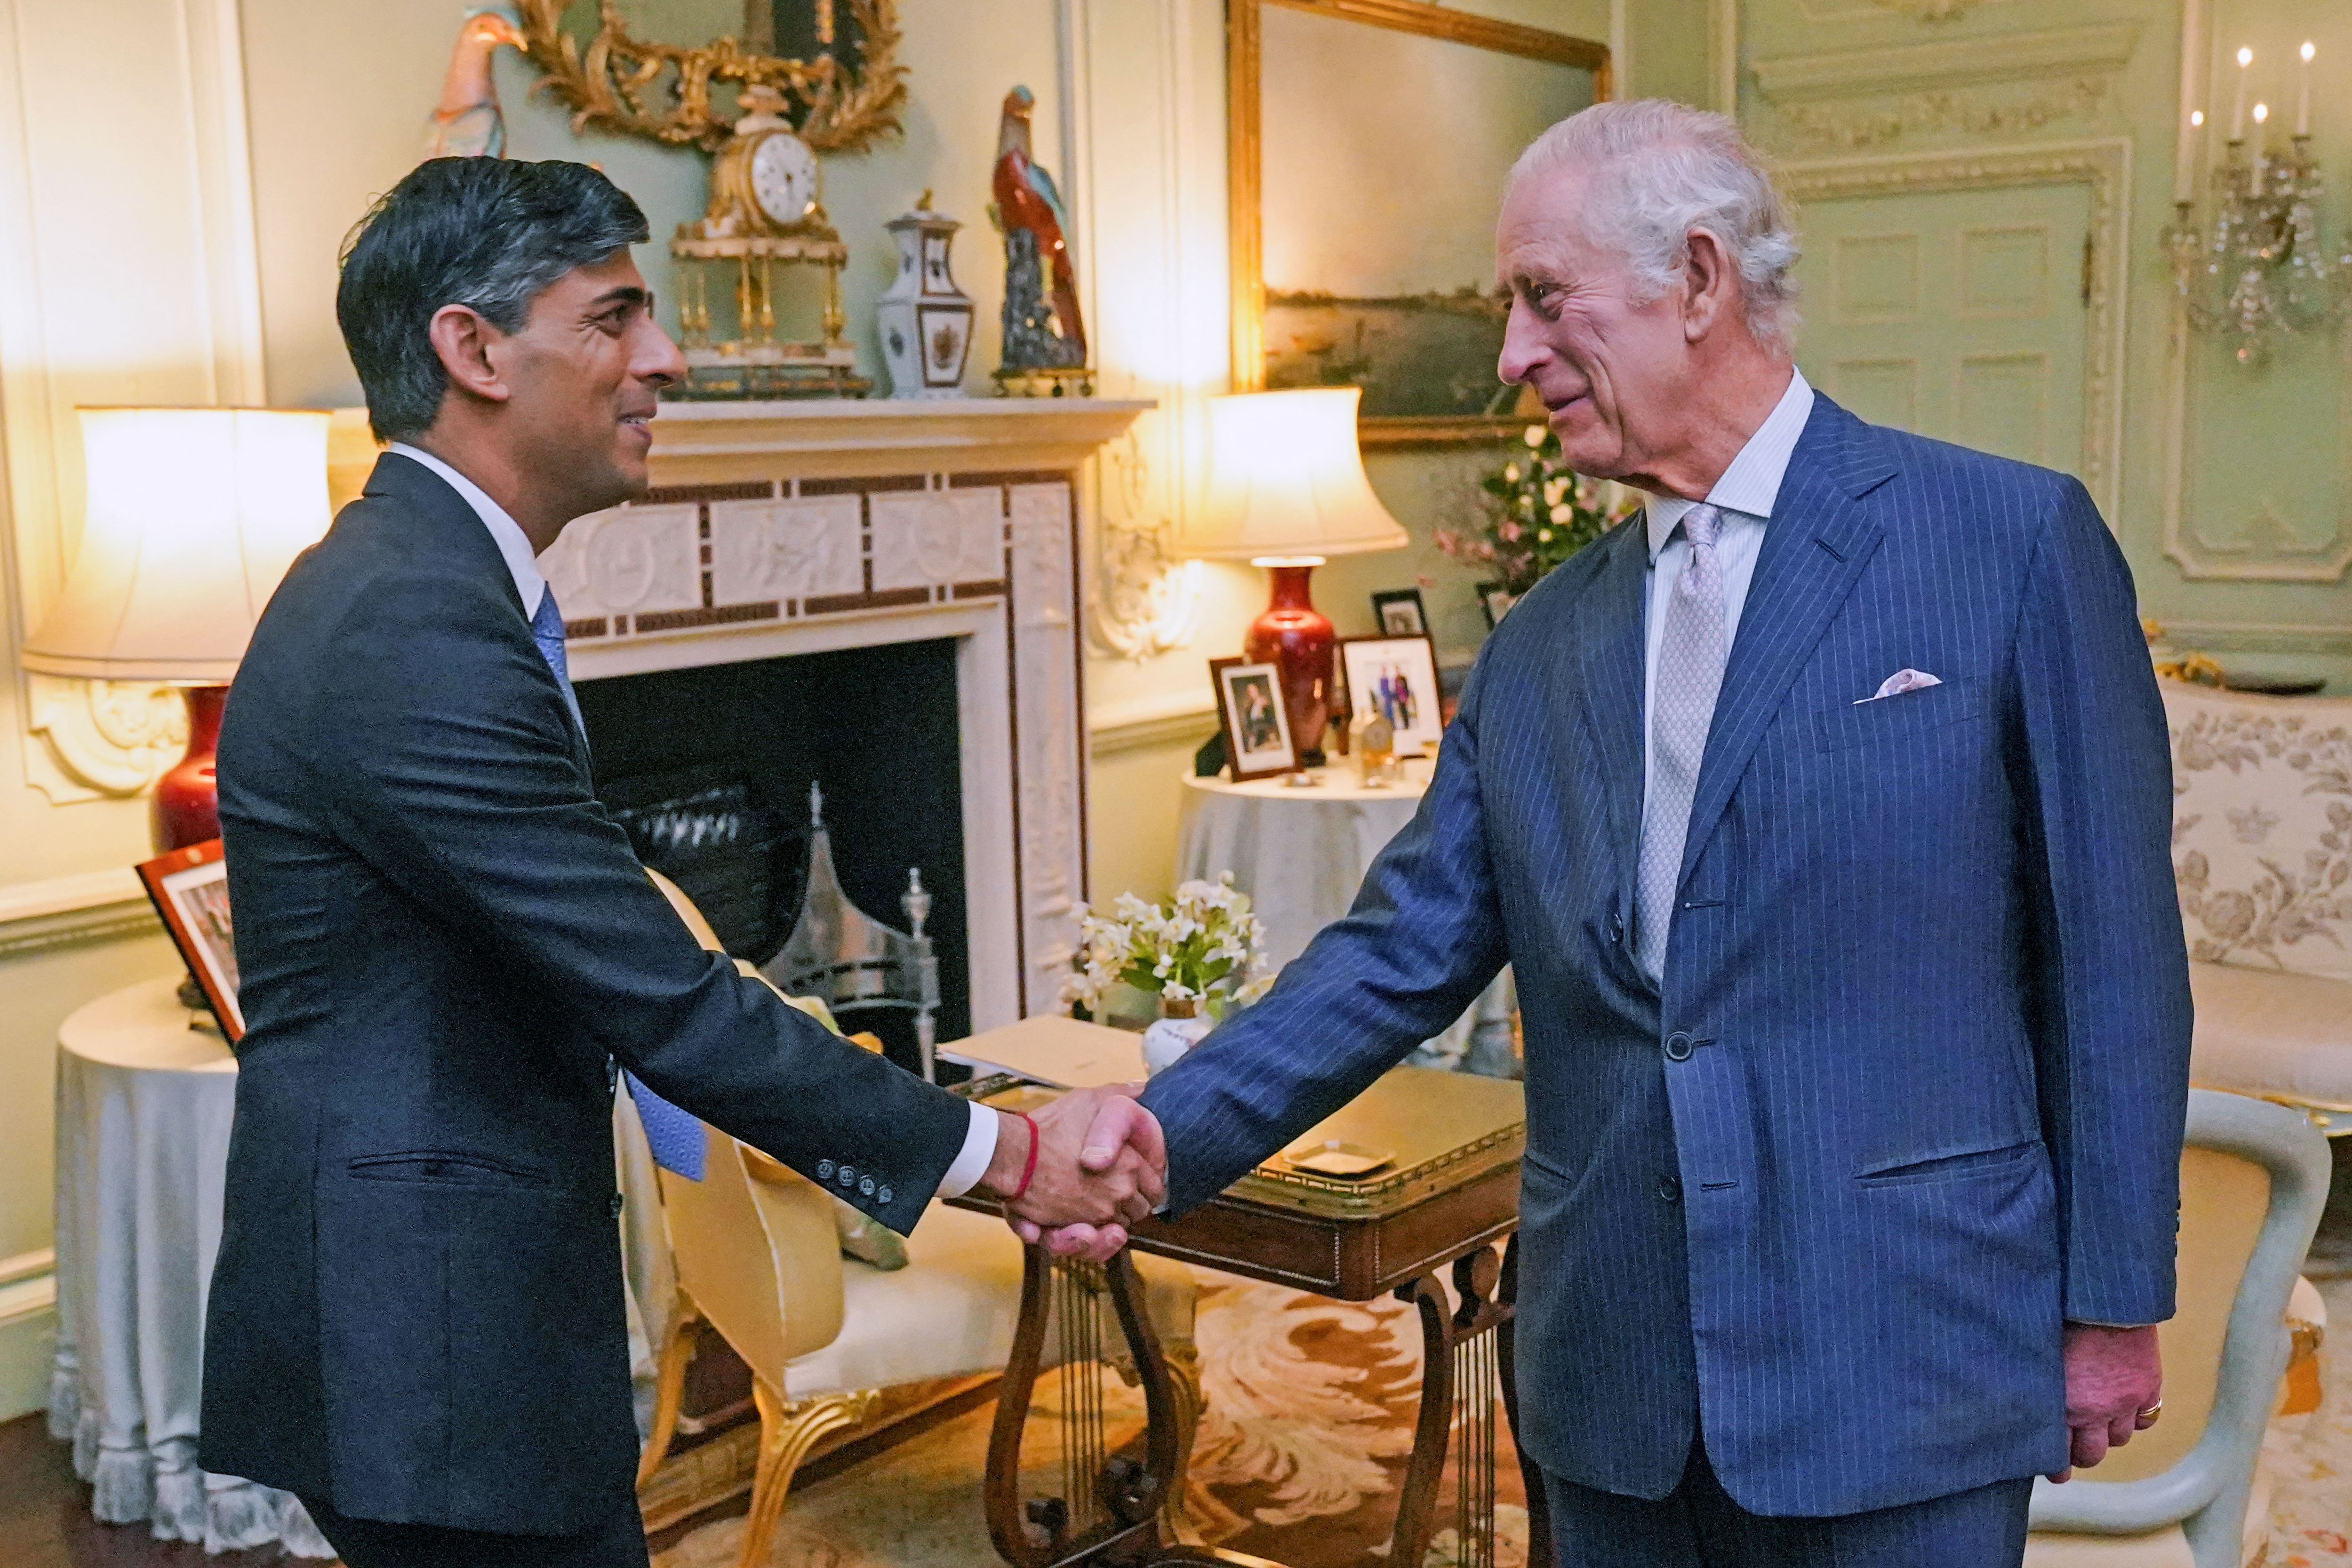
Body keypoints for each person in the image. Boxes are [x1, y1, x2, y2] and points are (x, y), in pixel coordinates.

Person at [1060, 101, 2191, 1566]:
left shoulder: (2005, 543)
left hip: (1903, 1352)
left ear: (1699, 281)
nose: (1513, 357)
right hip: (1614, 1373)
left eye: (1543, 300)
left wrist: (2111, 1300)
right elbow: (1397, 951)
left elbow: (2112, 956)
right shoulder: (1540, 643)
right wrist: (1154, 1136)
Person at [201, 158, 1163, 1568]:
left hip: (438, 1316)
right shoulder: (410, 626)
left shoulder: (424, 583)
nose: (669, 356)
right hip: (426, 1342)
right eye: (614, 316)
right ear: (471, 349)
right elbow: (668, 998)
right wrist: (1003, 1152)